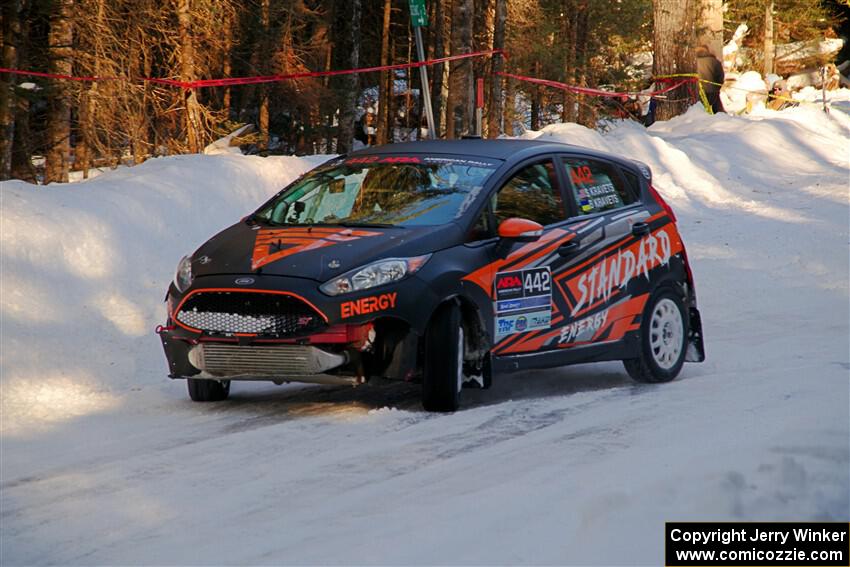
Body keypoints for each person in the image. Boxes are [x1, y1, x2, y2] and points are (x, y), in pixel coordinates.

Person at [696, 45, 725, 114]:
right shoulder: (714, 61)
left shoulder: (693, 62)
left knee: (700, 110)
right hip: (713, 90)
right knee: (717, 111)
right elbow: (720, 77)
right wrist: (717, 87)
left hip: (698, 91)